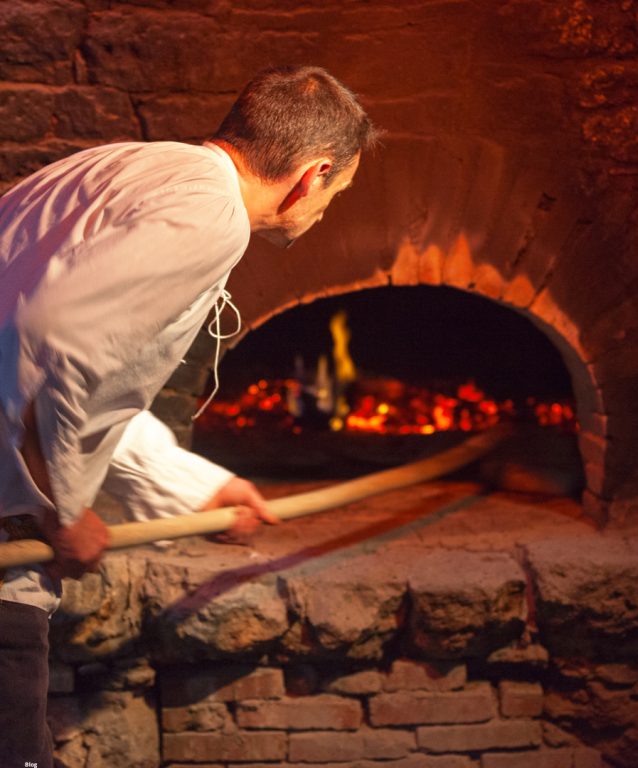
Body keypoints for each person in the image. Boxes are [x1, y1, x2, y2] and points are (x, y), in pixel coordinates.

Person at [0, 65, 379, 768]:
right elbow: (48, 340)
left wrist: (192, 486)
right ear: (311, 174)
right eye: (337, 194)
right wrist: (63, 505)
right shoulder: (215, 216)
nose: (326, 212)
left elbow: (73, 371)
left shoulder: (119, 169)